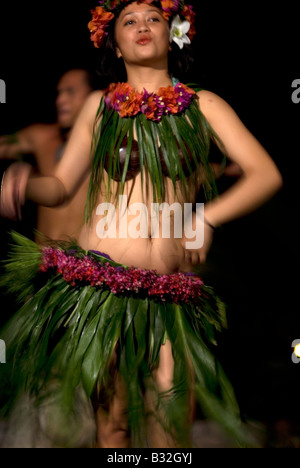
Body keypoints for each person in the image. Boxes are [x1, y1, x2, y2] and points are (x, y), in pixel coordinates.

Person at [0, 0, 282, 449]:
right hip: (101, 293)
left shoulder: (204, 106)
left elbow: (266, 174)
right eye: (129, 21)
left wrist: (206, 216)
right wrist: (24, 184)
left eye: (155, 18)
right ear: (113, 42)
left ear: (174, 33)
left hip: (169, 294)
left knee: (169, 430)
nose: (143, 26)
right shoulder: (100, 106)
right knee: (111, 430)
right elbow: (59, 185)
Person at [0, 68, 95, 242]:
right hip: (38, 259)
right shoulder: (43, 137)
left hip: (83, 263)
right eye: (59, 93)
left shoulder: (105, 141)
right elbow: (4, 145)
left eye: (70, 92)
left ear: (92, 97)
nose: (60, 100)